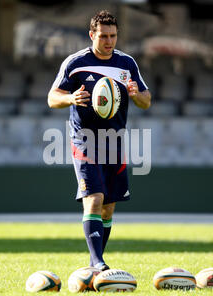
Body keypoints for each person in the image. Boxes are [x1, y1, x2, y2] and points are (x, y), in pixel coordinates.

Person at [47, 10, 151, 271]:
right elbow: (52, 98)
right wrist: (71, 98)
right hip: (85, 140)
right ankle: (98, 262)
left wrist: (136, 94)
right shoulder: (76, 62)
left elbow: (146, 102)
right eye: (103, 36)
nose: (109, 41)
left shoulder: (127, 64)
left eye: (113, 36)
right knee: (93, 198)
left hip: (115, 140)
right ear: (91, 35)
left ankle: (95, 267)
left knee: (108, 208)